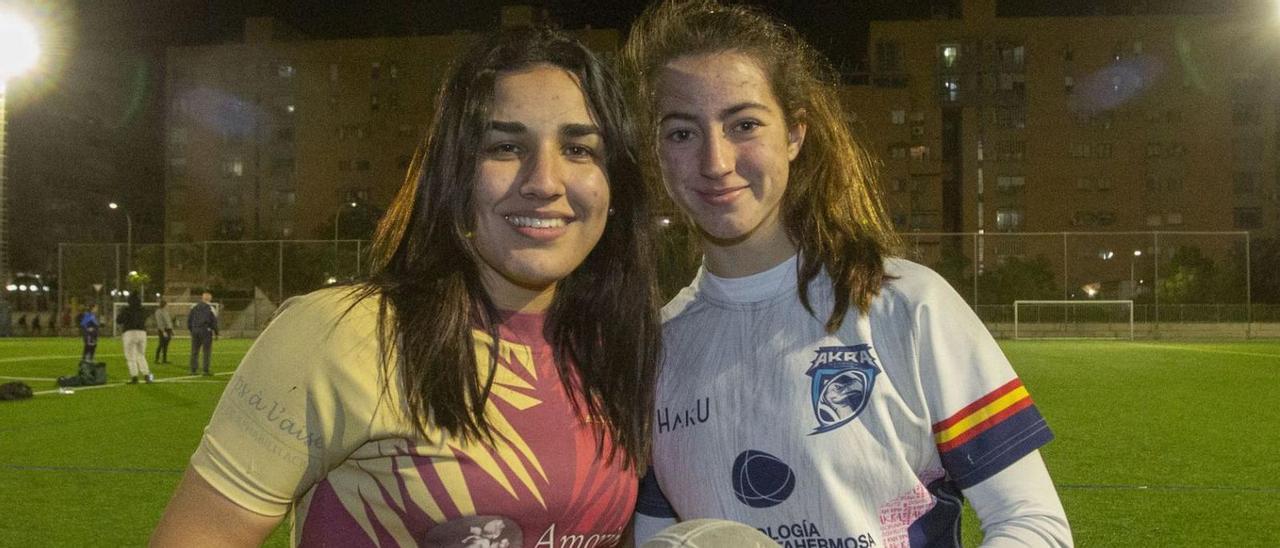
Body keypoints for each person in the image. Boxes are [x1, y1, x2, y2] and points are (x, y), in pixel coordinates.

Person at [152, 27, 661, 546]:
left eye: (579, 149)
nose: (545, 180)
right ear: (455, 173)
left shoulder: (616, 347)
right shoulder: (345, 334)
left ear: (614, 184)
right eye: (506, 146)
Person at [622, 2, 1072, 546]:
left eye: (744, 124)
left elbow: (1031, 522)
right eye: (681, 133)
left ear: (794, 134)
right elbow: (658, 537)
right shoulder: (656, 349)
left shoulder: (907, 305)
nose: (716, 162)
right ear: (655, 151)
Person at [116, 293, 153, 384]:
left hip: (129, 333)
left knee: (130, 356)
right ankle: (147, 375)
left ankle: (134, 376)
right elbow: (147, 316)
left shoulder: (126, 310)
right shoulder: (143, 310)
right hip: (142, 333)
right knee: (141, 355)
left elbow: (118, 320)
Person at [187, 291, 218, 376]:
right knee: (206, 351)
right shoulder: (211, 308)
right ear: (209, 299)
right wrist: (216, 332)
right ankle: (205, 370)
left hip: (195, 331)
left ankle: (193, 370)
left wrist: (192, 330)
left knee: (194, 351)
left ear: (202, 298)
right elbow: (214, 322)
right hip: (205, 331)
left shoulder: (194, 307)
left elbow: (189, 320)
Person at [154, 299, 174, 363]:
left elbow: (169, 321)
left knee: (166, 345)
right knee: (161, 344)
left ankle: (164, 360)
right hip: (163, 330)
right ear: (164, 305)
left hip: (168, 329)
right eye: (166, 304)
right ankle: (156, 359)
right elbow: (160, 323)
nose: (167, 306)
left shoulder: (166, 311)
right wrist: (163, 331)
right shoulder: (158, 312)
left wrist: (171, 330)